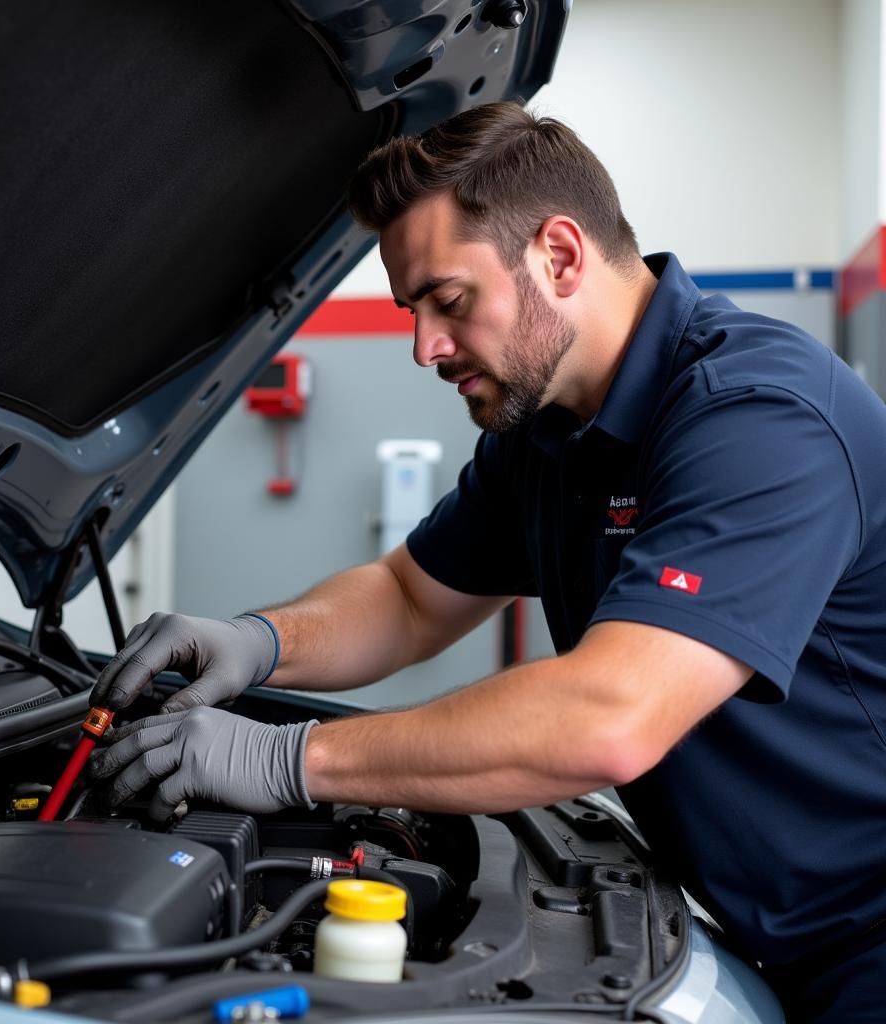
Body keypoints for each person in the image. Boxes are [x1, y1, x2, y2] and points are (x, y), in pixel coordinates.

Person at [88, 102, 886, 1021]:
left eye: (449, 301)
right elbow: (408, 597)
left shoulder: (760, 418)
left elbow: (608, 717)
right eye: (411, 310)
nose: (424, 345)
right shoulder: (546, 433)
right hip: (773, 926)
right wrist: (255, 641)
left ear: (558, 254)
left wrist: (282, 757)